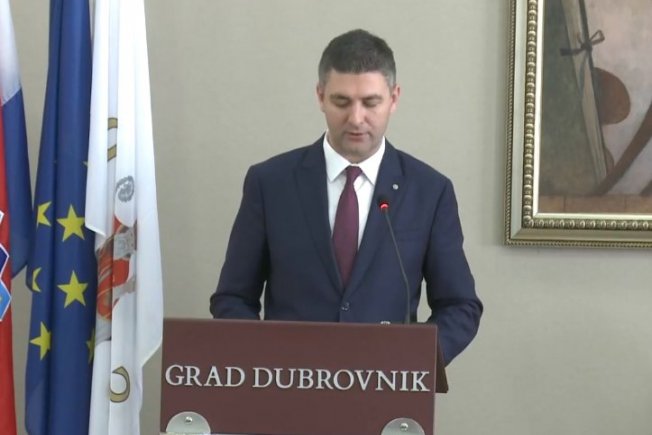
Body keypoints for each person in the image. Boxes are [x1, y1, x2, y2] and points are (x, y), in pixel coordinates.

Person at [210, 29, 482, 365]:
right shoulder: (270, 183)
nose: (355, 118)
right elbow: (232, 298)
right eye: (341, 102)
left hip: (387, 385)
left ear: (394, 98)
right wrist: (265, 362)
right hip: (287, 383)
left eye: (370, 102)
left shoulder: (429, 191)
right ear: (320, 96)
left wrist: (414, 362)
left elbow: (460, 306)